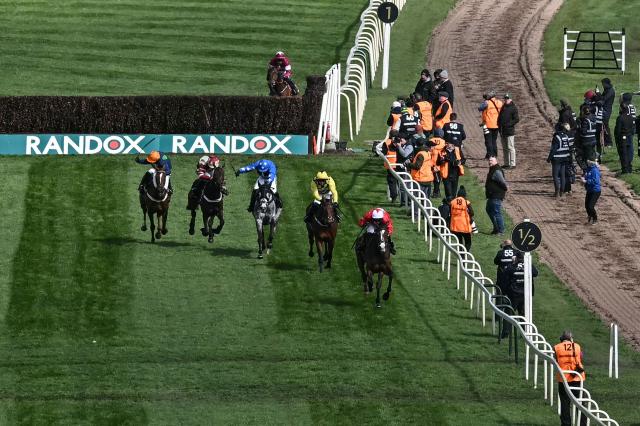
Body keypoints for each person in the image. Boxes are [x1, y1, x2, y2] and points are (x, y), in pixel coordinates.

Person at [554, 330, 587, 426]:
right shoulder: (577, 346)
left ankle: (566, 424)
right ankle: (583, 424)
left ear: (562, 339)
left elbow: (555, 359)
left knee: (565, 404)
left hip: (563, 379)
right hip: (577, 378)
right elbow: (581, 357)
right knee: (580, 404)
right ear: (571, 339)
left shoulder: (556, 347)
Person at [502, 252, 538, 337]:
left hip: (513, 294)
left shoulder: (511, 267)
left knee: (508, 313)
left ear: (516, 258)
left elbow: (505, 278)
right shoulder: (528, 266)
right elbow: (535, 273)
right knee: (523, 314)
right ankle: (525, 333)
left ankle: (506, 332)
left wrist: (504, 292)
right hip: (526, 294)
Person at [547, 123, 572, 197]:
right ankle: (562, 191)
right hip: (565, 158)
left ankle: (556, 192)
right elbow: (568, 148)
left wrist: (549, 158)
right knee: (562, 175)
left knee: (555, 175)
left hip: (557, 158)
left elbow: (553, 149)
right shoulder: (566, 136)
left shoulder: (556, 137)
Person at [406, 136, 434, 200]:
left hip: (420, 179)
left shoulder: (421, 154)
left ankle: (416, 210)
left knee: (417, 198)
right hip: (427, 178)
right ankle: (426, 209)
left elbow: (417, 166)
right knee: (425, 198)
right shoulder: (428, 153)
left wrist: (408, 164)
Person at [485, 156, 508, 235]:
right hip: (492, 195)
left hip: (496, 195)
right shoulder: (492, 169)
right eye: (489, 160)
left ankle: (501, 231)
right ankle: (496, 228)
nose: (490, 162)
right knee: (488, 210)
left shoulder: (497, 170)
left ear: (496, 161)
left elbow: (503, 182)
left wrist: (505, 189)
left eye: (491, 160)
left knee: (497, 212)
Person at [498, 93, 520, 169]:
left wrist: (509, 124)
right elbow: (500, 117)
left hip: (510, 131)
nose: (506, 100)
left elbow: (516, 119)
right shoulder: (503, 107)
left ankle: (513, 164)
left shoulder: (513, 108)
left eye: (507, 98)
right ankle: (506, 163)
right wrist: (499, 126)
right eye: (505, 98)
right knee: (504, 148)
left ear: (511, 99)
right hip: (502, 131)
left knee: (510, 147)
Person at [615, 96, 636, 174]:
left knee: (623, 153)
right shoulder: (630, 117)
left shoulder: (620, 118)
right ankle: (629, 167)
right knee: (629, 151)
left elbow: (618, 130)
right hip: (629, 136)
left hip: (622, 138)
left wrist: (617, 137)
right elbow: (633, 127)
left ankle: (625, 169)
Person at [479, 91, 503, 159]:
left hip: (487, 125)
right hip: (497, 125)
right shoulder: (500, 102)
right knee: (494, 140)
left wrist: (485, 100)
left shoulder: (487, 102)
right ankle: (494, 154)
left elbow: (480, 108)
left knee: (488, 141)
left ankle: (490, 155)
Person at [449, 186, 473, 251]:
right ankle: (465, 254)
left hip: (455, 225)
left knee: (459, 242)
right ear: (464, 194)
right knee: (468, 242)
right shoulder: (466, 202)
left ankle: (461, 255)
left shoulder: (452, 202)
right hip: (464, 225)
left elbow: (450, 213)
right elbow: (472, 213)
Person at [381, 129, 400, 203]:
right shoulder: (399, 141)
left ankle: (394, 195)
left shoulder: (386, 143)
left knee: (391, 181)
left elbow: (384, 153)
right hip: (398, 164)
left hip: (390, 165)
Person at [581, 159, 601, 224]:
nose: (587, 162)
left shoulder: (595, 170)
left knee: (590, 206)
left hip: (595, 191)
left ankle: (595, 218)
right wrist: (584, 179)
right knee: (586, 205)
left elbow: (596, 181)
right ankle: (590, 216)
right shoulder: (588, 169)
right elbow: (586, 176)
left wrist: (586, 181)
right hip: (589, 190)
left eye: (588, 161)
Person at [429, 128, 447, 198]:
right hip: (439, 163)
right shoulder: (443, 142)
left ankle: (436, 191)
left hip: (430, 162)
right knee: (437, 179)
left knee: (432, 179)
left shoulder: (430, 140)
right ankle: (435, 192)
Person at [601, 78, 616, 147]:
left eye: (603, 84)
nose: (603, 85)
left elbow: (604, 99)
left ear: (607, 83)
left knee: (605, 126)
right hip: (604, 109)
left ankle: (609, 142)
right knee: (603, 125)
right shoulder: (607, 89)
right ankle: (605, 141)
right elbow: (601, 97)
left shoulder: (611, 91)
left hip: (607, 110)